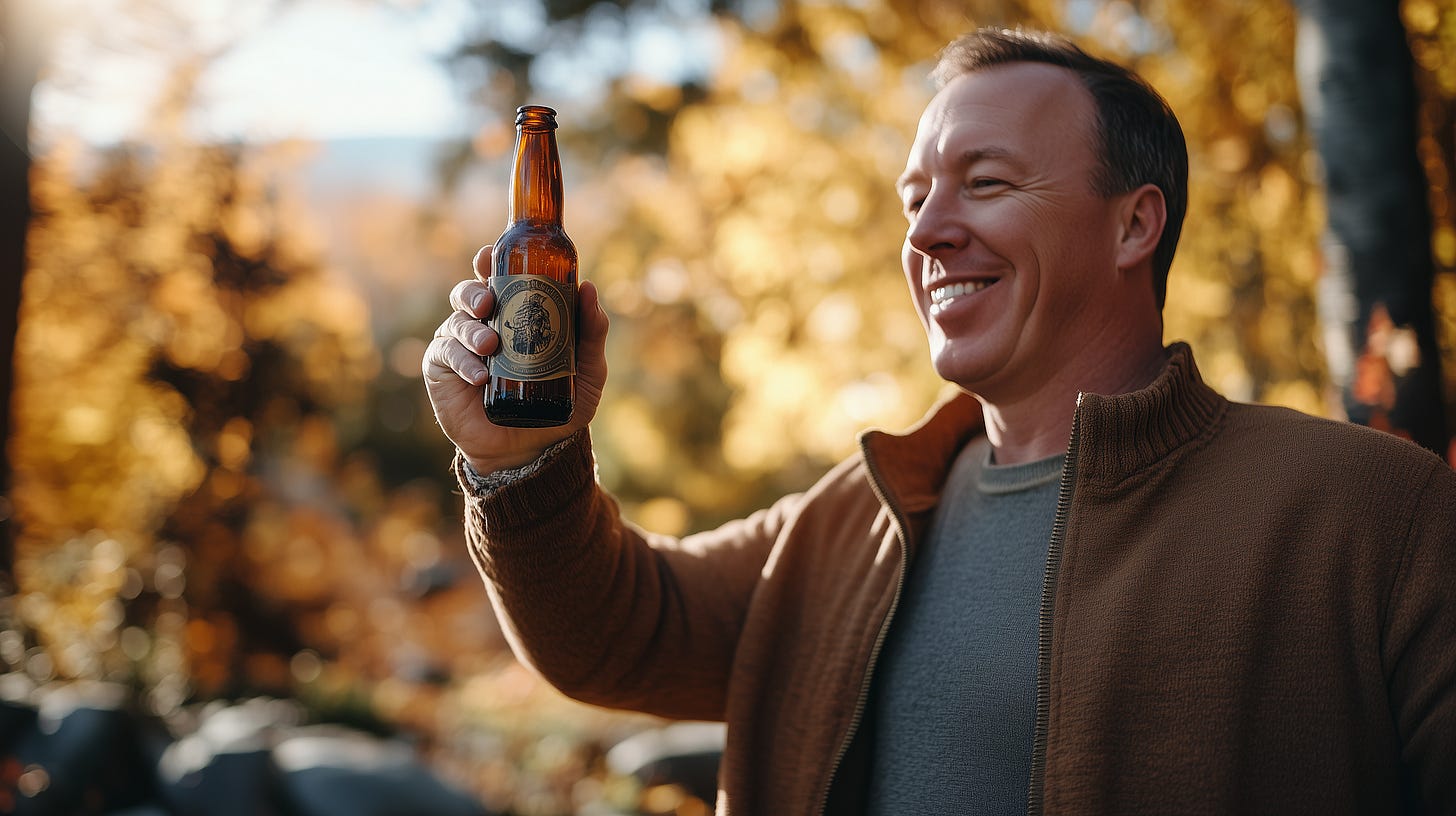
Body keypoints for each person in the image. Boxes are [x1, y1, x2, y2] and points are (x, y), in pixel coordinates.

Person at [423, 27, 1456, 816]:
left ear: (1135, 222)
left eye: (985, 183)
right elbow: (615, 634)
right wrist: (522, 461)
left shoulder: (1374, 514)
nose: (924, 232)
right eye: (915, 196)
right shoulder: (851, 520)